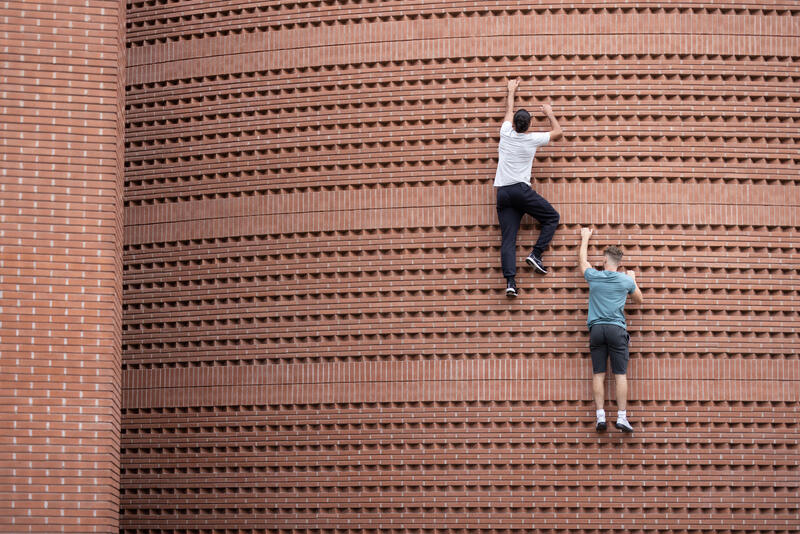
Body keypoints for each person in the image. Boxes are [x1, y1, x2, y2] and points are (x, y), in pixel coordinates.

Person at [494, 78, 563, 298]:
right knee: (552, 217)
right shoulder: (532, 139)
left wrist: (511, 92)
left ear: (514, 123)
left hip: (503, 193)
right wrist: (549, 113)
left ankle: (511, 282)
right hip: (520, 191)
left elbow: (508, 113)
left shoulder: (505, 133)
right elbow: (558, 132)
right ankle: (536, 253)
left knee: (508, 239)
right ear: (529, 124)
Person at [578, 227, 643, 433]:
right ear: (619, 263)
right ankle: (622, 417)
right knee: (620, 374)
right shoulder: (625, 280)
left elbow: (582, 261)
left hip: (597, 329)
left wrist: (585, 238)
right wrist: (633, 279)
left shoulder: (594, 277)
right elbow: (639, 300)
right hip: (616, 329)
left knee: (599, 373)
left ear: (605, 261)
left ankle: (600, 417)